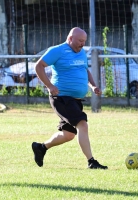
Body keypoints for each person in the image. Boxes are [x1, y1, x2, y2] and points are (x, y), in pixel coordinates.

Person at [32, 27, 107, 169]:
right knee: (82, 124)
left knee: (68, 134)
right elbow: (39, 66)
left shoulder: (82, 53)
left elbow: (85, 70)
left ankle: (41, 147)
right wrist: (49, 86)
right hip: (62, 98)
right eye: (80, 41)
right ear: (70, 38)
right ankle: (91, 161)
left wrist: (93, 86)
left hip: (75, 100)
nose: (82, 44)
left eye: (84, 41)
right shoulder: (57, 51)